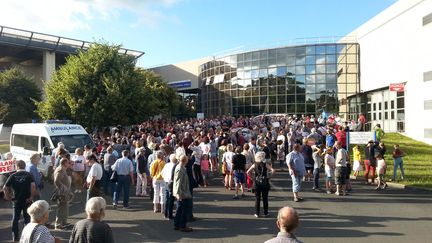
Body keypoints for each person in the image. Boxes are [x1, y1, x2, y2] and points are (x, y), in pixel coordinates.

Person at [3, 160, 36, 242]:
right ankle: (27, 237)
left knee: (15, 219)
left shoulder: (12, 175)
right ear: (24, 166)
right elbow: (33, 186)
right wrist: (31, 197)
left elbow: (5, 187)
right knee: (27, 219)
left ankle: (15, 237)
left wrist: (7, 197)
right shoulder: (29, 175)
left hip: (16, 200)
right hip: (27, 200)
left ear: (17, 166)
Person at [246, 151, 274, 218]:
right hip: (265, 182)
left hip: (257, 182)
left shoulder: (254, 165)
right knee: (265, 198)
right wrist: (269, 177)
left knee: (257, 198)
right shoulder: (265, 164)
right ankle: (266, 212)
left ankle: (257, 213)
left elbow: (247, 172)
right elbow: (273, 170)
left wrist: (253, 178)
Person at [173, 155, 193, 232]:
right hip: (182, 193)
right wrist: (178, 194)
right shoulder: (180, 169)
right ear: (185, 161)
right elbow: (178, 182)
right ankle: (182, 225)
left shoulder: (181, 168)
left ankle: (177, 224)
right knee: (184, 210)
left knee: (180, 209)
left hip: (183, 191)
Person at [53, 158, 73, 230]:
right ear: (64, 163)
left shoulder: (63, 169)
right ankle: (58, 224)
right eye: (68, 162)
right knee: (61, 208)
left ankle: (64, 222)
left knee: (65, 207)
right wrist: (64, 188)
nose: (69, 164)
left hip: (64, 192)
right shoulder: (60, 169)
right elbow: (57, 181)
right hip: (61, 193)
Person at [161, 154, 178, 220]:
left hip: (166, 182)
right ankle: (169, 215)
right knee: (171, 199)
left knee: (167, 198)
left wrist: (165, 178)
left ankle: (166, 214)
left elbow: (162, 173)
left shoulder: (167, 165)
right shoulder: (175, 166)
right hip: (171, 183)